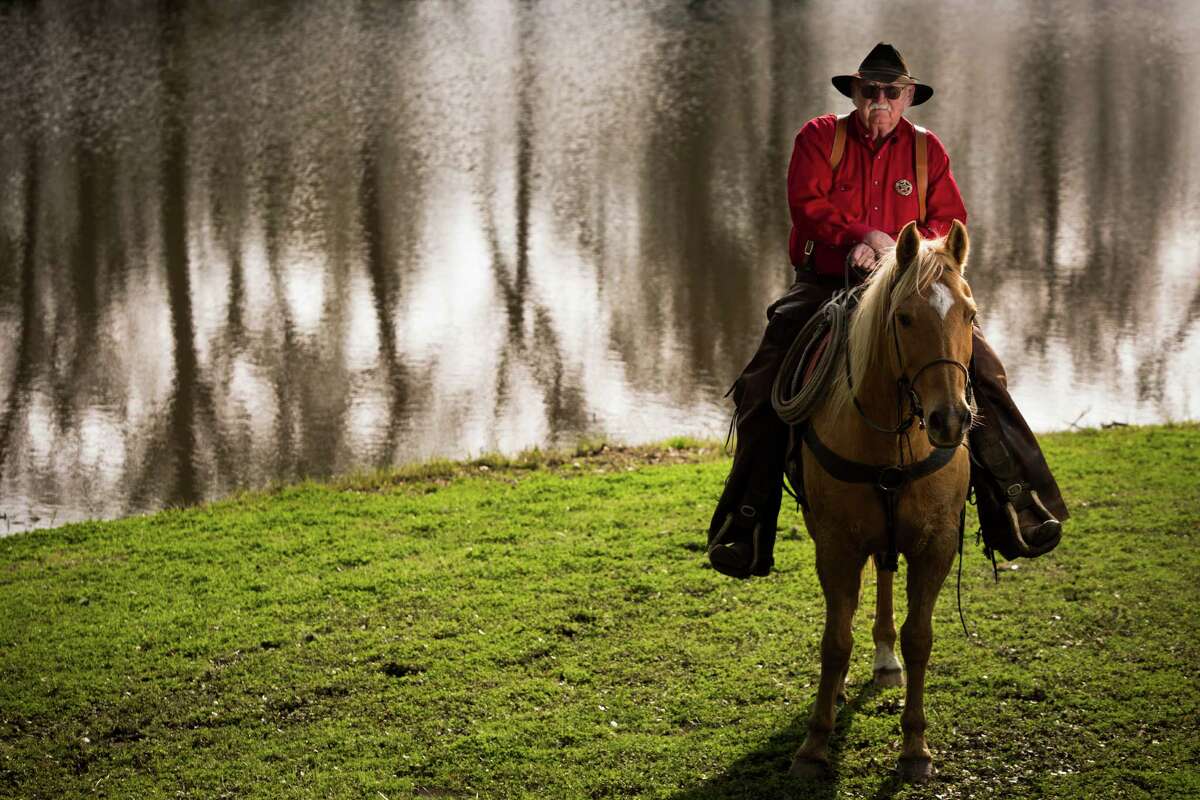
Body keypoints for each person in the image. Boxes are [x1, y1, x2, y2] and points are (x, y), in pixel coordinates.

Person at [707, 43, 1067, 578]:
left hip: (910, 286)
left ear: (907, 97)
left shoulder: (928, 150)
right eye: (870, 90)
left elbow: (948, 220)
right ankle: (747, 523)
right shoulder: (817, 137)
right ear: (854, 93)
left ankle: (1018, 504)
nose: (880, 99)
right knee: (763, 385)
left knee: (985, 372)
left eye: (891, 92)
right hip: (825, 283)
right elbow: (806, 206)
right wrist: (858, 236)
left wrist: (909, 252)